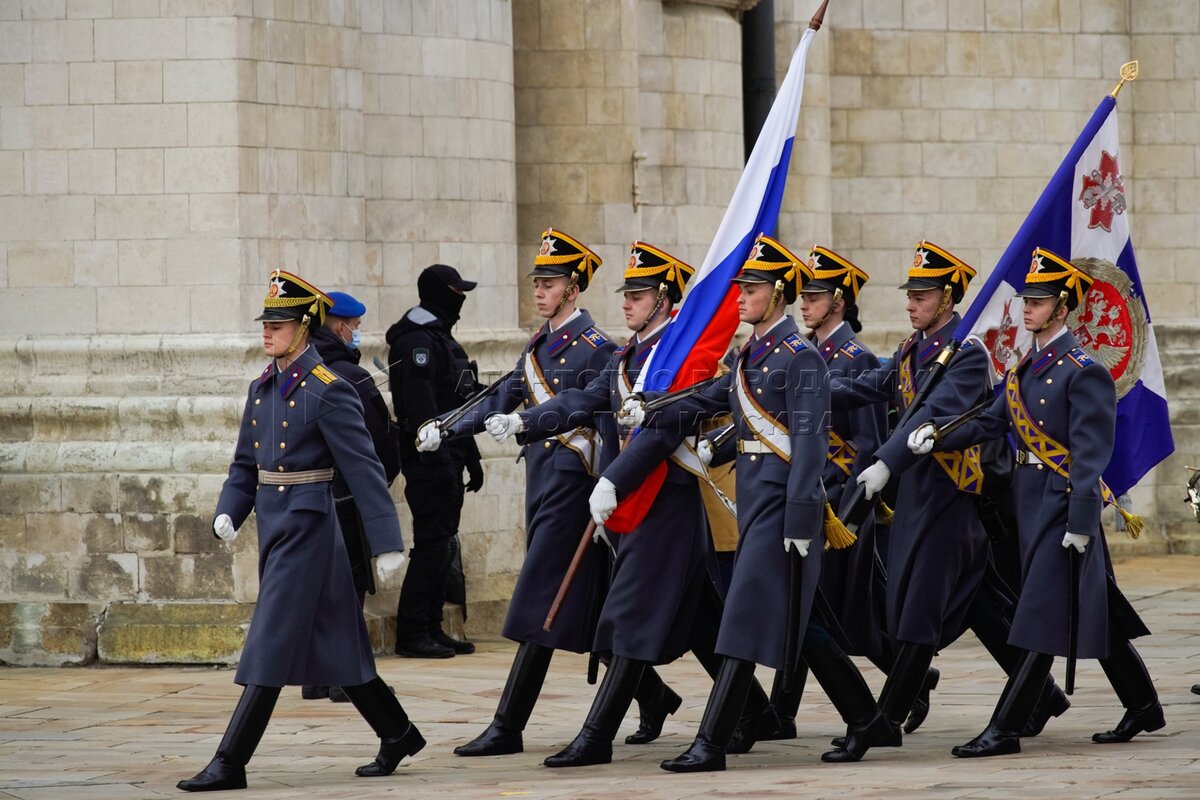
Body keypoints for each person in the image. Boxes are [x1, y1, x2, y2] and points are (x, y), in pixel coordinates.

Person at [487, 242, 770, 767]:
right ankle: (755, 712)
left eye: (639, 295)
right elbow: (582, 400)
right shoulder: (629, 355)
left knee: (630, 619)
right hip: (634, 503)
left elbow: (664, 431)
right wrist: (524, 422)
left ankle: (596, 737)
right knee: (701, 622)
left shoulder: (679, 357)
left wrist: (613, 479)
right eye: (628, 295)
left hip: (667, 502)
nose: (627, 303)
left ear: (665, 300)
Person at [626, 235, 889, 772]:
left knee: (742, 621)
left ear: (778, 294)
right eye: (742, 287)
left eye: (752, 288)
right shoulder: (755, 353)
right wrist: (652, 405)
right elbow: (714, 399)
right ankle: (868, 719)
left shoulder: (802, 358)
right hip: (757, 502)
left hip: (782, 510)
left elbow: (811, 443)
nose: (741, 296)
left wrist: (799, 519)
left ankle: (711, 743)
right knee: (805, 625)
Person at [908, 249, 1163, 756]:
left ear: (1063, 308)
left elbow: (1092, 453)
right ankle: (1144, 705)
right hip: (1027, 504)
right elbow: (991, 419)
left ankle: (1005, 726)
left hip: (1063, 505)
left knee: (1040, 616)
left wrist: (1083, 517)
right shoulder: (1028, 365)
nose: (1027, 308)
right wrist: (939, 436)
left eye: (1039, 301)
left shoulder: (1083, 370)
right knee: (1091, 605)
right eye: (1027, 299)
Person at [177, 270, 423, 792]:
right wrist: (230, 509)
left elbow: (363, 468)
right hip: (275, 526)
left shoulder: (328, 391)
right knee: (340, 641)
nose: (268, 332)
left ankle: (230, 761)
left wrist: (385, 542)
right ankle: (398, 732)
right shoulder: (261, 387)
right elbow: (245, 464)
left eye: (280, 323)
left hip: (311, 528)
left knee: (270, 638)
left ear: (306, 327)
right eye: (266, 322)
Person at [824, 241, 1067, 763]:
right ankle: (1042, 695)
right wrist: (810, 387)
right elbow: (877, 383)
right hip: (922, 497)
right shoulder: (917, 348)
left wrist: (886, 461)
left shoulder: (965, 353)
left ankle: (882, 722)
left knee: (919, 611)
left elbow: (936, 413)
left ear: (950, 297)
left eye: (923, 294)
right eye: (910, 294)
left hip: (949, 498)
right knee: (977, 603)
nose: (912, 303)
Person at [421, 229, 618, 757]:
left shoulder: (600, 350)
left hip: (575, 489)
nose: (539, 291)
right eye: (537, 282)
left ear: (574, 289)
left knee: (540, 602)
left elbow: (582, 402)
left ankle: (508, 725)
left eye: (550, 283)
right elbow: (502, 394)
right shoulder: (539, 343)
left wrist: (524, 419)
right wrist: (448, 426)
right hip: (542, 484)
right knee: (593, 605)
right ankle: (655, 697)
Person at [303, 291, 402, 702]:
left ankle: (316, 675)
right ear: (341, 327)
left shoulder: (302, 370)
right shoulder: (351, 377)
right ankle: (347, 676)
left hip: (308, 496)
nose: (358, 335)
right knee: (350, 582)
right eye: (356, 328)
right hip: (346, 495)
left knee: (318, 584)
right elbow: (378, 445)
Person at [386, 265, 483, 659]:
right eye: (457, 291)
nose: (462, 298)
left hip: (450, 456)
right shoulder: (417, 343)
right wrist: (442, 457)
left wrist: (471, 455)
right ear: (440, 293)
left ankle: (432, 625)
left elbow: (461, 404)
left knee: (443, 544)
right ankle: (412, 631)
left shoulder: (441, 337)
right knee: (431, 544)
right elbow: (423, 408)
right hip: (429, 461)